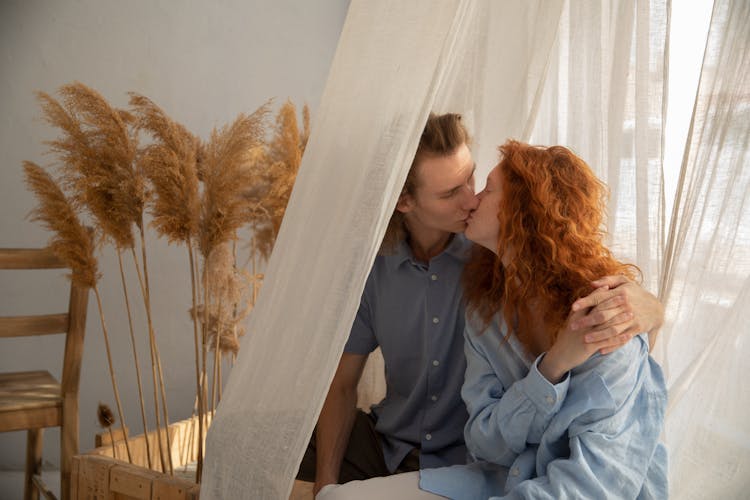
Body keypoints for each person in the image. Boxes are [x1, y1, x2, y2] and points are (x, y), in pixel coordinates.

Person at [299, 116, 665, 497]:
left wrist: (653, 311)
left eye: (476, 183)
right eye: (449, 193)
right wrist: (327, 482)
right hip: (402, 444)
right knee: (269, 447)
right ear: (405, 201)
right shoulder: (477, 302)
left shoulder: (510, 272)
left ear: (518, 217)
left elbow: (593, 480)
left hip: (473, 462)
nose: (470, 200)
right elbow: (342, 385)